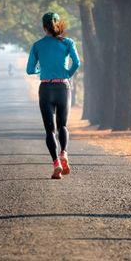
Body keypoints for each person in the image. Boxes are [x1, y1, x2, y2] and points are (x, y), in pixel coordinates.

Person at [26, 12, 81, 179]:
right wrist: (67, 74)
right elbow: (77, 63)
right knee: (62, 126)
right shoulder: (68, 42)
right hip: (63, 86)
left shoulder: (37, 45)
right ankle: (64, 152)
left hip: (46, 88)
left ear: (44, 27)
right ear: (58, 25)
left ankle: (56, 162)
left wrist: (41, 70)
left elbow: (29, 70)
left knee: (50, 130)